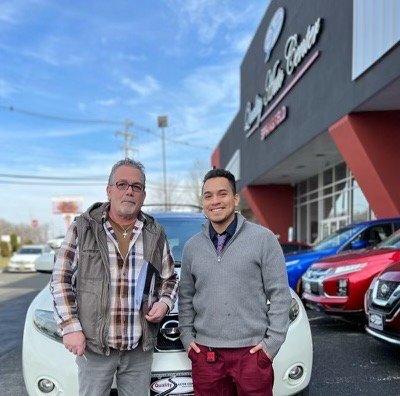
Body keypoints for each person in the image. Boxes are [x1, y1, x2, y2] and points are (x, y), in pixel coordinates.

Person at [50, 158, 178, 396]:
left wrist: (165, 302)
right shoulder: (82, 228)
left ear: (143, 195)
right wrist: (70, 327)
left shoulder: (155, 233)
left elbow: (170, 279)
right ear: (109, 190)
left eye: (136, 186)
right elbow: (61, 279)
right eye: (122, 184)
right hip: (94, 347)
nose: (129, 191)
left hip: (139, 348)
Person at [179, 168, 291, 396]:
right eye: (208, 196)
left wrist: (271, 346)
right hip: (207, 356)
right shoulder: (192, 247)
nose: (215, 201)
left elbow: (280, 295)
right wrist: (187, 337)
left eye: (222, 194)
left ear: (235, 199)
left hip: (251, 356)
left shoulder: (263, 239)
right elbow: (186, 297)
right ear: (203, 201)